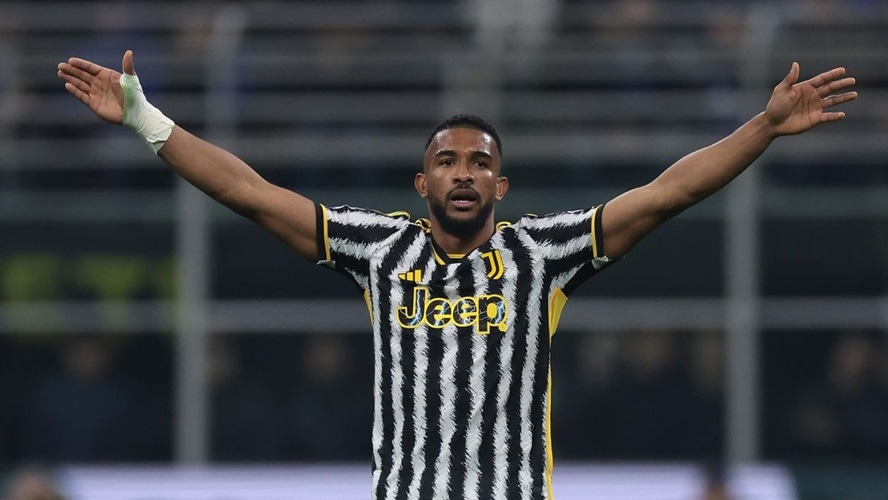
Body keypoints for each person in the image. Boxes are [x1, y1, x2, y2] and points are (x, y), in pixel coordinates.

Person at [57, 50, 856, 500]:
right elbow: (250, 193)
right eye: (447, 161)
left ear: (501, 186)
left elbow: (667, 194)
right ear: (423, 183)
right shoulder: (380, 249)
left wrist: (763, 127)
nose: (463, 172)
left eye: (479, 162)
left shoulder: (541, 254)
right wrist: (145, 119)